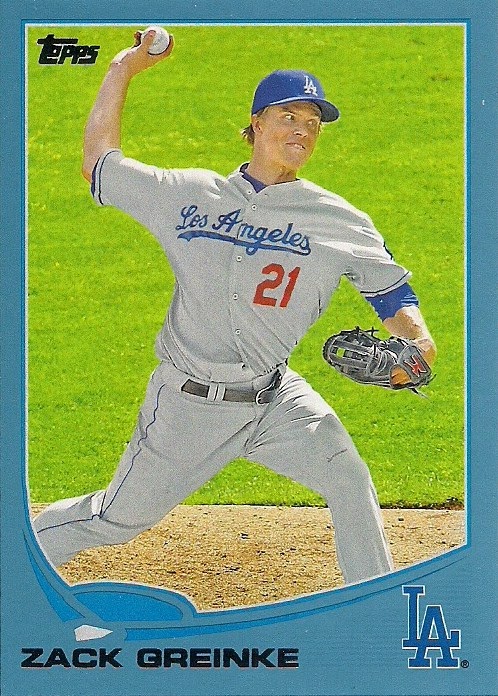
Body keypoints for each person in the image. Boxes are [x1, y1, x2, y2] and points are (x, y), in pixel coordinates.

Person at [34, 30, 436, 587]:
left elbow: (392, 295)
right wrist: (123, 68)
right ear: (256, 124)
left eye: (313, 122)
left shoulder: (339, 219)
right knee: (114, 520)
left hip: (276, 398)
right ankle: (18, 559)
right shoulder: (189, 196)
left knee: (347, 478)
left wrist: (418, 344)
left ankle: (374, 606)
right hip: (189, 406)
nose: (302, 130)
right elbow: (98, 162)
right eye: (289, 116)